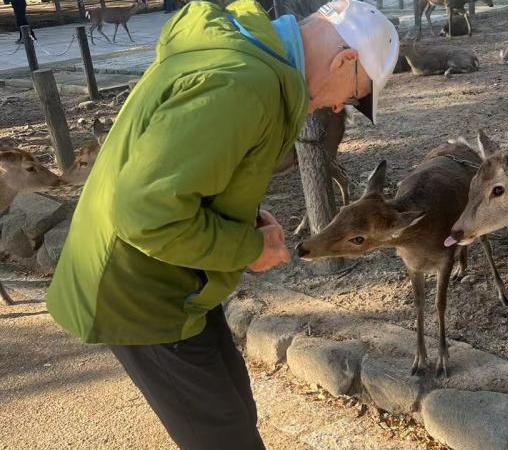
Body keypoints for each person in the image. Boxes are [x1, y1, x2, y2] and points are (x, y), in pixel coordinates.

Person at [45, 0, 398, 448]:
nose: (333, 107)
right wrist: (250, 249)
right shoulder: (243, 84)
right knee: (223, 436)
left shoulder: (242, 59)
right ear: (345, 60)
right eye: (350, 96)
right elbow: (148, 215)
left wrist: (244, 221)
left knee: (234, 416)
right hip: (139, 291)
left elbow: (187, 174)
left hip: (173, 277)